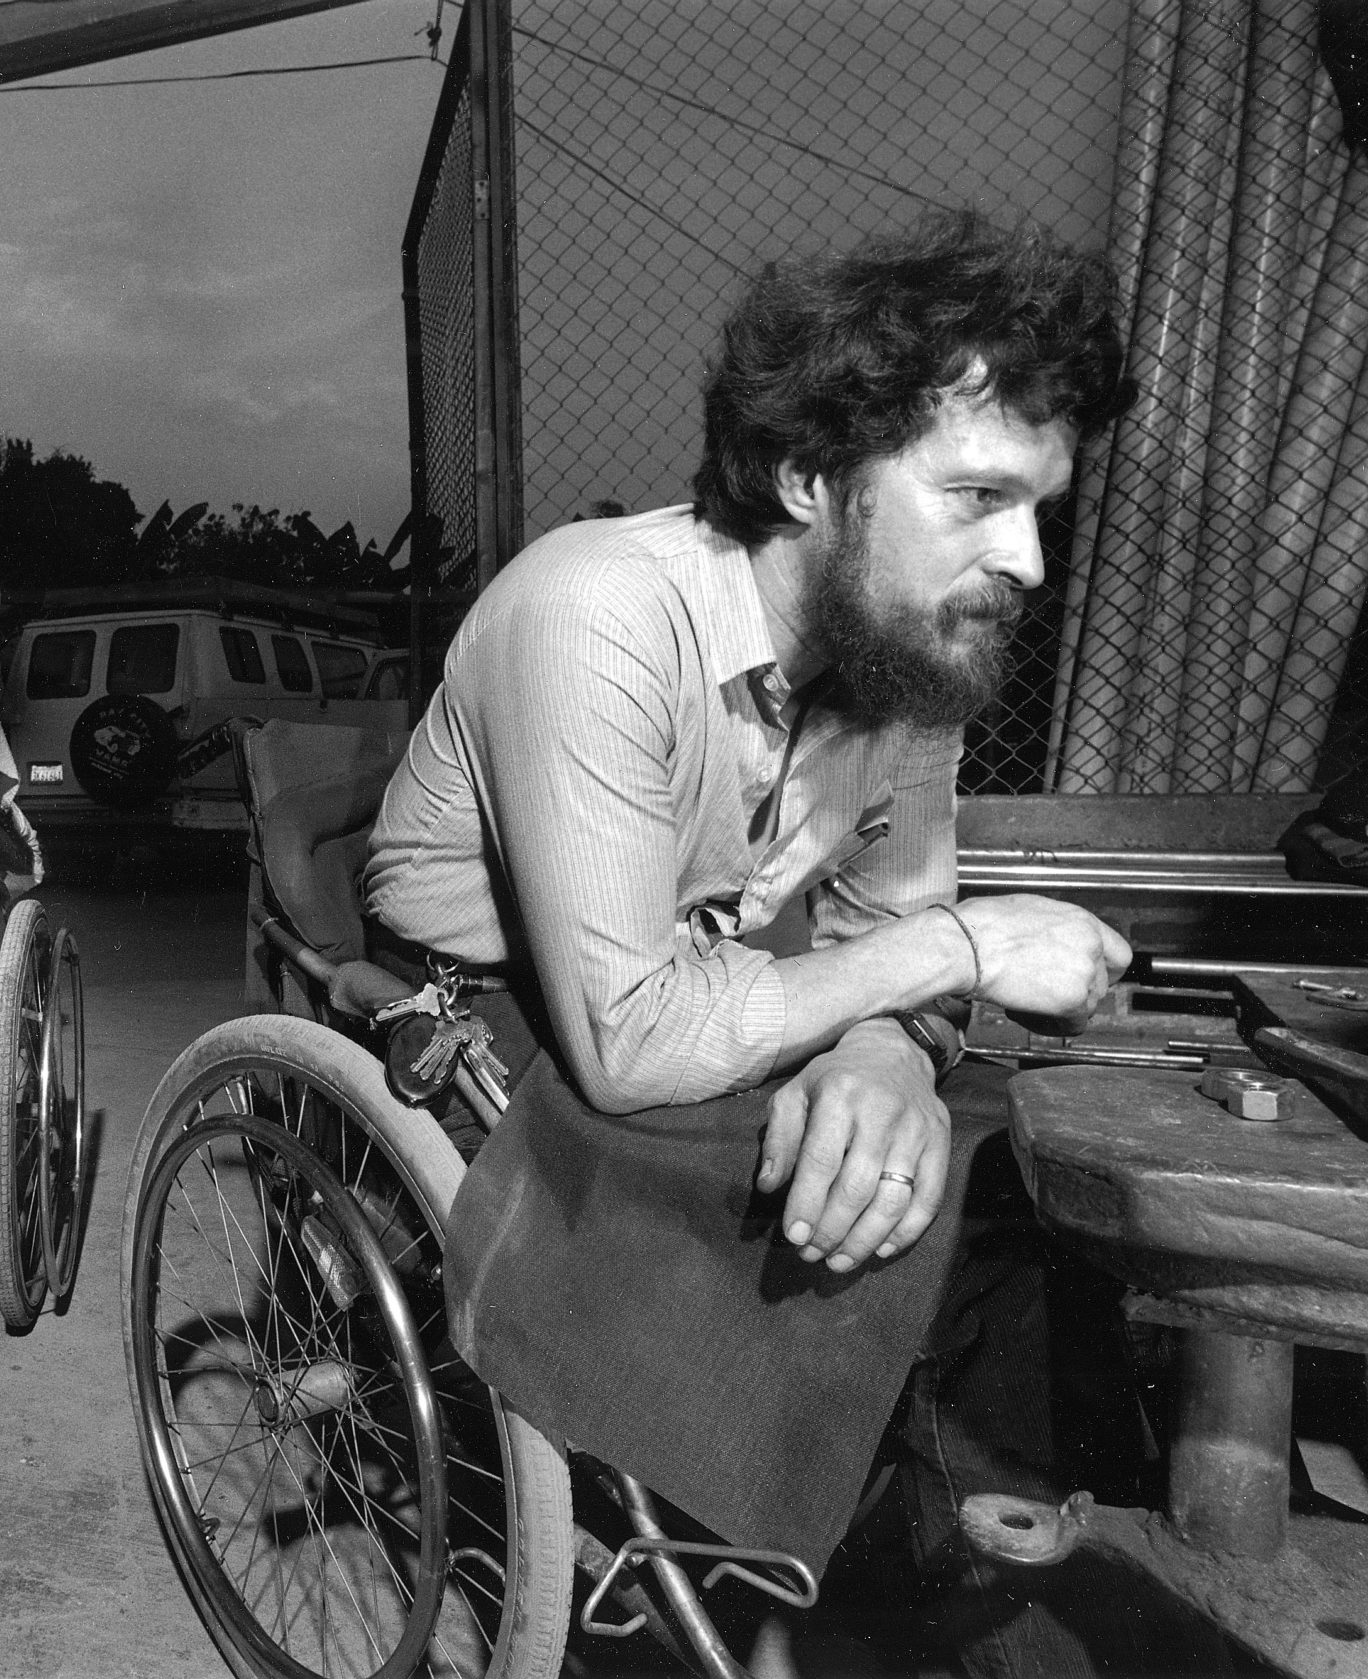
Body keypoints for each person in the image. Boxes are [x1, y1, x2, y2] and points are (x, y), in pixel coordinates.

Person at [363, 212, 1160, 1673]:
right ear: (809, 478)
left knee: (981, 1149)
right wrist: (964, 953)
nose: (1029, 559)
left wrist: (887, 1060)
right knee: (762, 1183)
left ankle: (962, 1568)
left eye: (1041, 506)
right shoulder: (598, 604)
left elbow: (887, 936)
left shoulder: (906, 658)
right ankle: (781, 1573)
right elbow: (636, 1039)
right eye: (978, 493)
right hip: (492, 983)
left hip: (693, 960)